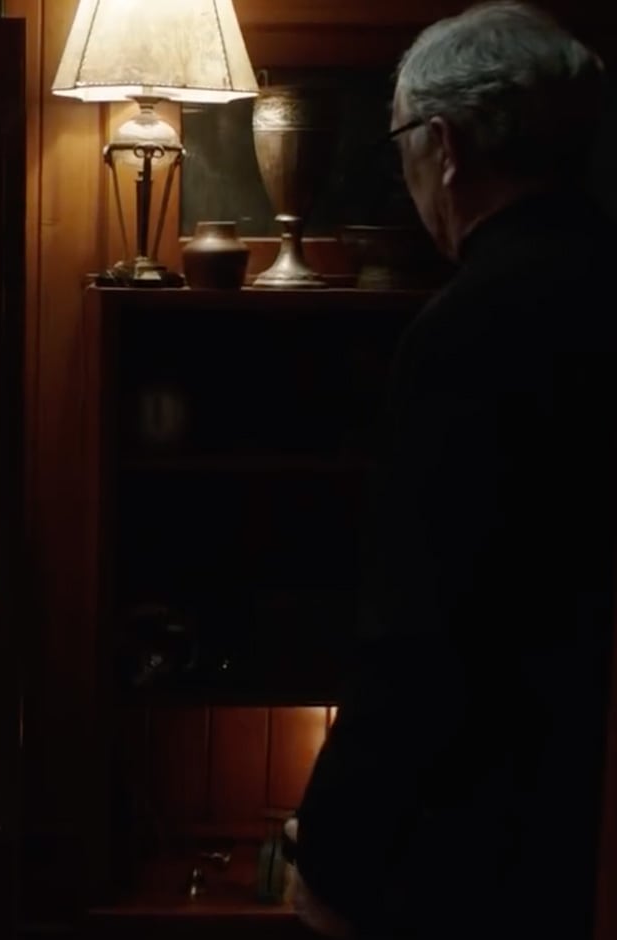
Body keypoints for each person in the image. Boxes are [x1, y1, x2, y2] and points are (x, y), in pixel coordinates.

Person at [290, 4, 615, 937]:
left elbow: (425, 627)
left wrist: (337, 851)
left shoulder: (471, 327)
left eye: (403, 144)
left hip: (485, 827)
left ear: (444, 146)